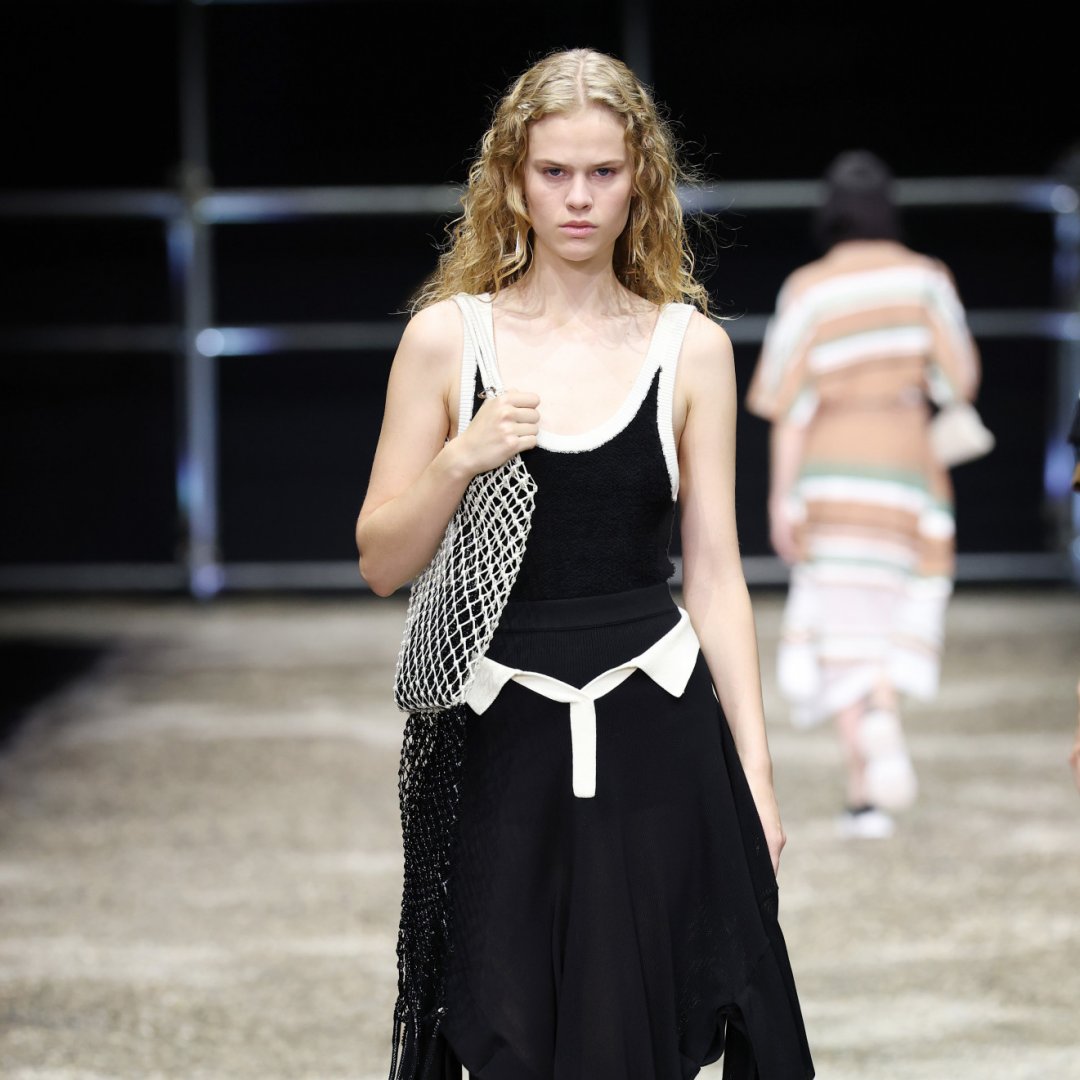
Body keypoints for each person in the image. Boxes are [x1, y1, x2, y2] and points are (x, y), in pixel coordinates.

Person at [356, 48, 813, 1080]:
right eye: (554, 171)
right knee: (501, 1026)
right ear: (511, 180)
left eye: (602, 172)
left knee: (649, 1027)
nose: (577, 197)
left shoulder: (690, 348)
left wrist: (756, 774)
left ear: (639, 179)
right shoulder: (446, 340)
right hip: (497, 732)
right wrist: (460, 457)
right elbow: (381, 560)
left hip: (659, 728)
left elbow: (715, 575)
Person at [746, 150, 982, 840]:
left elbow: (788, 404)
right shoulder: (926, 279)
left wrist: (780, 499)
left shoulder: (808, 289)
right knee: (895, 606)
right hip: (908, 461)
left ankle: (864, 797)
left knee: (840, 621)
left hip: (831, 464)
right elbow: (960, 379)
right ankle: (882, 712)